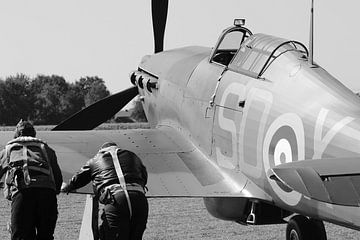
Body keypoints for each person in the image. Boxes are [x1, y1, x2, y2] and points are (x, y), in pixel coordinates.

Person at [61, 142, 148, 240]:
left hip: (116, 199)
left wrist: (66, 187)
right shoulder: (132, 155)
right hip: (139, 197)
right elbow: (144, 175)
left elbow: (78, 180)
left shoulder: (95, 160)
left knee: (112, 235)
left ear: (101, 150)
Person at [0, 120, 63, 240]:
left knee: (21, 236)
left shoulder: (8, 150)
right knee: (45, 236)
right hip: (47, 195)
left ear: (16, 135)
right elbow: (58, 179)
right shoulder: (46, 149)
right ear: (34, 134)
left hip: (22, 195)